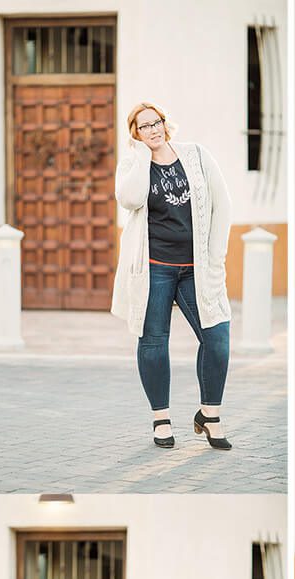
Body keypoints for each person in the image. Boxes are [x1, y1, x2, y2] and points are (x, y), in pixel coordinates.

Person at [111, 102, 235, 451]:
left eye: (156, 123)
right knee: (153, 341)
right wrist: (140, 156)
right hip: (154, 268)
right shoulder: (132, 164)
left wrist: (215, 258)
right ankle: (161, 417)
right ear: (135, 134)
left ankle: (210, 414)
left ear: (165, 124)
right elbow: (131, 198)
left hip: (197, 268)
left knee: (217, 337)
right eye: (143, 127)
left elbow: (222, 205)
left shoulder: (196, 155)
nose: (152, 130)